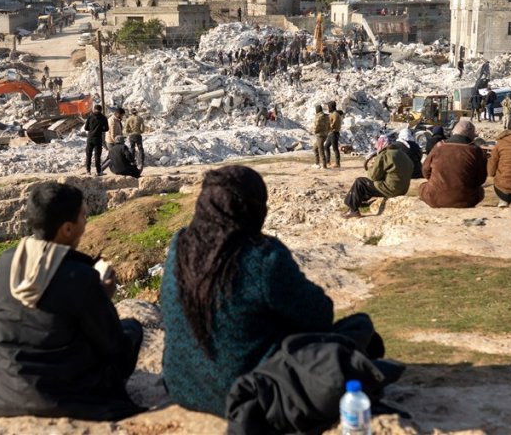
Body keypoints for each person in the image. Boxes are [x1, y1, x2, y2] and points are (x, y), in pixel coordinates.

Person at [161, 166, 394, 417]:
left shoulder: (179, 245)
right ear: (254, 209)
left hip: (182, 388)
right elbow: (320, 315)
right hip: (249, 394)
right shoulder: (262, 257)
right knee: (359, 326)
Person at [0, 182, 143, 420]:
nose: (86, 221)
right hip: (66, 396)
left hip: (5, 391)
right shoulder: (78, 276)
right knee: (132, 330)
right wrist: (103, 299)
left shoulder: (6, 262)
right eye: (83, 216)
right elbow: (114, 347)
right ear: (67, 229)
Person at [419, 120, 487, 208]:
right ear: (471, 135)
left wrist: (435, 180)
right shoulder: (476, 151)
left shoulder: (439, 146)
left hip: (435, 198)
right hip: (466, 200)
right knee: (480, 191)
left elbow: (425, 170)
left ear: (454, 132)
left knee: (422, 187)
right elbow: (481, 179)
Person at [342, 134, 412, 218]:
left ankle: (353, 210)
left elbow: (373, 176)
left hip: (391, 190)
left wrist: (372, 167)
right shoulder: (403, 154)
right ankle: (362, 202)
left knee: (360, 182)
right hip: (403, 189)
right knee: (374, 184)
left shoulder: (385, 154)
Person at [84, 104, 108, 176]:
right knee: (97, 156)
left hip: (90, 138)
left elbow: (86, 128)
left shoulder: (90, 117)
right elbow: (106, 129)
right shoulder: (103, 118)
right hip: (98, 139)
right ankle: (98, 171)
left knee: (88, 155)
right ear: (101, 110)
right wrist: (100, 129)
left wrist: (92, 130)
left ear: (94, 109)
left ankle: (88, 171)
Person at [324, 101, 343, 169]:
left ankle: (337, 163)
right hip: (331, 133)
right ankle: (328, 161)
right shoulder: (333, 113)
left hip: (334, 133)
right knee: (326, 146)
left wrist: (328, 127)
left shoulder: (335, 114)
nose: (328, 108)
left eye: (328, 107)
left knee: (335, 149)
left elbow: (334, 124)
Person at [312, 104, 330, 169]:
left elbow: (316, 126)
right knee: (315, 148)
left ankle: (324, 165)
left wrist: (314, 131)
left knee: (320, 150)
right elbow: (329, 125)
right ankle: (317, 163)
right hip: (325, 134)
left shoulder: (318, 117)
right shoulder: (326, 116)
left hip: (320, 135)